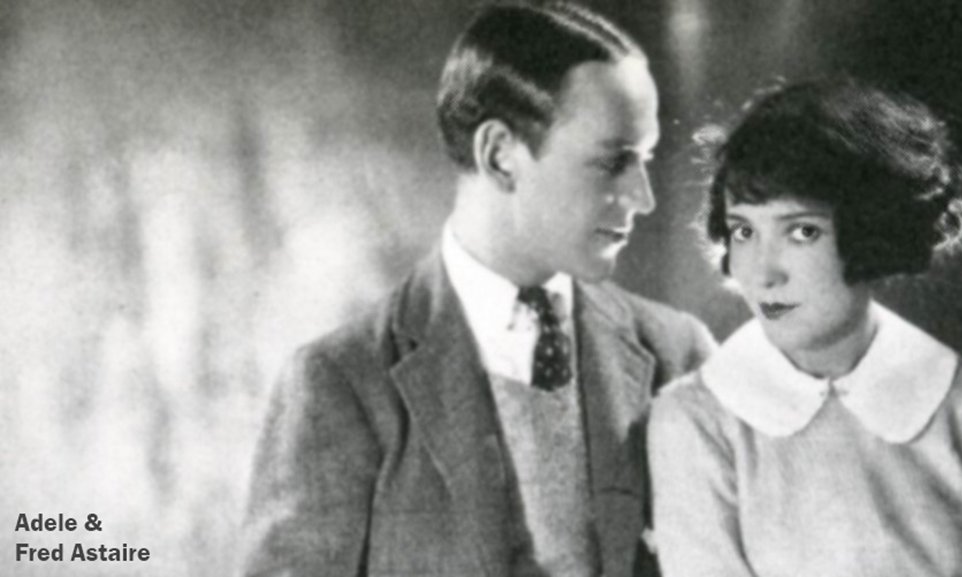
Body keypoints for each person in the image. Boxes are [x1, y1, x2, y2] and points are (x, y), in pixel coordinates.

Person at [238, 4, 714, 576]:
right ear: (500, 156)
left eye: (645, 160)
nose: (644, 198)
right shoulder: (341, 385)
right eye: (613, 162)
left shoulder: (677, 356)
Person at [648, 78, 962, 576]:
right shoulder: (694, 419)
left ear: (873, 234)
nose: (763, 272)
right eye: (744, 230)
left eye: (802, 231)